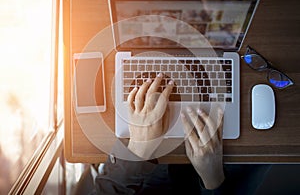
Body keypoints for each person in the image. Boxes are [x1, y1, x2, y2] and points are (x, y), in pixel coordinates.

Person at [88, 74, 270, 195]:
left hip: (145, 177)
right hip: (213, 179)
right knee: (261, 145)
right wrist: (213, 178)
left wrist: (138, 149)